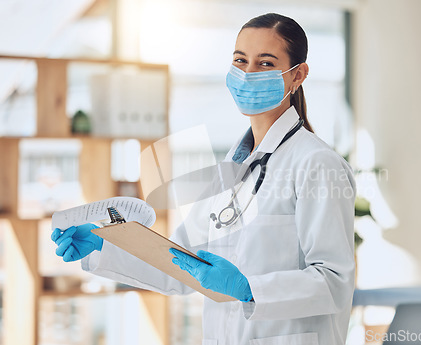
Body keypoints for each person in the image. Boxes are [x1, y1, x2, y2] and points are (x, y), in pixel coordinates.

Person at [52, 13, 356, 345]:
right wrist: (105, 246)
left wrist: (247, 288)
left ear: (298, 75)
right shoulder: (231, 167)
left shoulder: (317, 164)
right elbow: (181, 263)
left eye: (265, 63)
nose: (248, 74)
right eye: (240, 60)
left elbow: (334, 281)